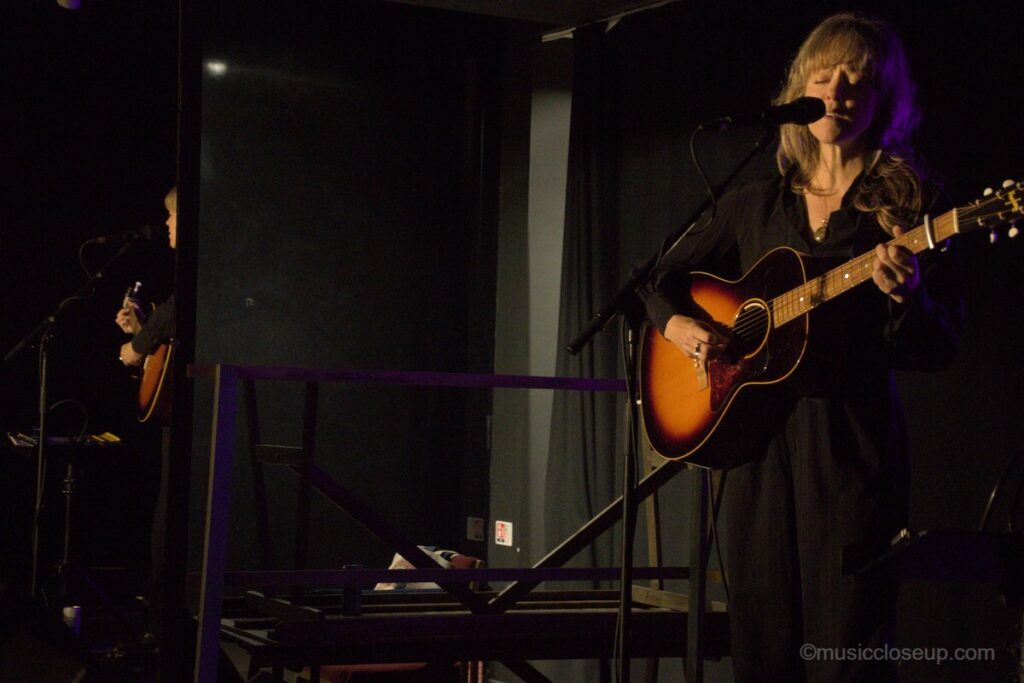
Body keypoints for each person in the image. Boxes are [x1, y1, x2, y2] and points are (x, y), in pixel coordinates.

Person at [640, 13, 962, 683]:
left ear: (883, 99)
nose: (837, 89)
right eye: (823, 75)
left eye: (857, 79)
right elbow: (656, 282)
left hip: (850, 451)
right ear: (799, 92)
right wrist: (680, 327)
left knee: (847, 647)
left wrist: (907, 298)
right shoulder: (756, 204)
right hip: (756, 447)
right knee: (762, 640)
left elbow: (940, 345)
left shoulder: (906, 205)